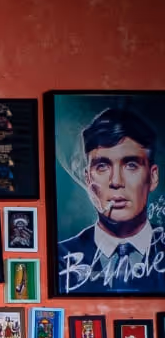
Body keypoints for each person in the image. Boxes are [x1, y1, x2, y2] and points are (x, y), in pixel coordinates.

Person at [55, 107, 163, 295]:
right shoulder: (62, 256)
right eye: (102, 166)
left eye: (131, 165)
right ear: (88, 180)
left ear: (153, 177)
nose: (116, 182)